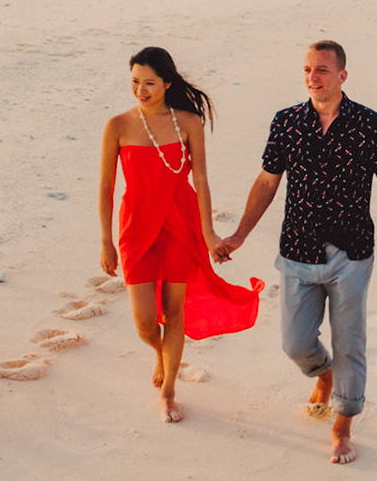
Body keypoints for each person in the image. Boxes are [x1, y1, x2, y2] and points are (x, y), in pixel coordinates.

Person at [216, 40, 377, 464]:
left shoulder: (370, 124)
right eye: (306, 70)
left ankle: (342, 425)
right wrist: (240, 234)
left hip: (352, 253)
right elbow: (267, 182)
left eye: (321, 70)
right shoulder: (286, 122)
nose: (312, 78)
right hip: (298, 250)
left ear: (342, 76)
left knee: (349, 341)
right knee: (295, 343)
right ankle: (323, 373)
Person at [98, 47, 264, 422]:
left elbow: (201, 178)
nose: (140, 89)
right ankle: (160, 352)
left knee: (173, 313)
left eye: (149, 83)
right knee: (144, 322)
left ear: (167, 83)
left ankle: (170, 390)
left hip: (180, 223)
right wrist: (105, 241)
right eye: (135, 82)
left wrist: (208, 234)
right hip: (136, 226)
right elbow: (107, 185)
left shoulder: (188, 122)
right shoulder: (118, 126)